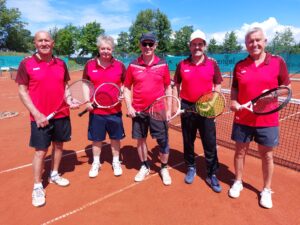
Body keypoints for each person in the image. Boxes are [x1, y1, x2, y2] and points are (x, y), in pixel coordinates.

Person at [229, 27, 291, 209]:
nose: (254, 44)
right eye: (250, 41)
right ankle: (238, 181)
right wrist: (233, 101)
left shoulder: (278, 62)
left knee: (267, 155)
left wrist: (271, 94)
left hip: (267, 120)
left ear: (265, 41)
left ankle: (266, 189)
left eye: (258, 40)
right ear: (246, 45)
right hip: (243, 118)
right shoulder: (240, 65)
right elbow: (234, 88)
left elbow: (285, 87)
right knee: (240, 152)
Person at [16, 31, 76, 207]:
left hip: (61, 114)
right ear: (35, 43)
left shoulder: (61, 64)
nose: (44, 43)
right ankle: (37, 186)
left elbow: (65, 86)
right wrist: (36, 113)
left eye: (47, 40)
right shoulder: (26, 63)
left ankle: (54, 173)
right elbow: (22, 91)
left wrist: (69, 99)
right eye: (40, 40)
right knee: (40, 151)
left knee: (59, 145)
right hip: (40, 117)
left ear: (53, 43)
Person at [173, 29, 223, 192]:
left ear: (204, 46)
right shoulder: (182, 64)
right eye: (194, 44)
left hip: (207, 107)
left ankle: (211, 174)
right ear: (190, 46)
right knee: (188, 140)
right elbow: (176, 85)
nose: (197, 47)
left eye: (200, 44)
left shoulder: (212, 64)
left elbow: (217, 84)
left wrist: (214, 103)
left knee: (209, 142)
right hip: (187, 107)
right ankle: (191, 167)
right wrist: (177, 102)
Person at [123, 32, 172, 185]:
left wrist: (169, 109)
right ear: (140, 45)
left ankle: (163, 167)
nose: (148, 47)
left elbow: (168, 87)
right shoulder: (132, 65)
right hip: (139, 110)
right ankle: (144, 165)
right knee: (141, 140)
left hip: (158, 110)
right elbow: (126, 87)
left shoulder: (163, 64)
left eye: (151, 44)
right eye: (145, 44)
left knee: (163, 141)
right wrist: (129, 106)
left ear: (155, 45)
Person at [83, 35, 126, 178]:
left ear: (112, 49)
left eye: (108, 48)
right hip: (96, 110)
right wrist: (87, 101)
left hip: (114, 110)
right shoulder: (89, 64)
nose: (105, 51)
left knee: (115, 138)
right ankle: (96, 162)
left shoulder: (119, 65)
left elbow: (125, 84)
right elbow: (84, 83)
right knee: (97, 138)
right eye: (103, 48)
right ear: (98, 48)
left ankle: (115, 161)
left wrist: (122, 94)